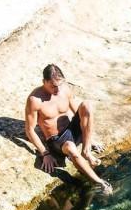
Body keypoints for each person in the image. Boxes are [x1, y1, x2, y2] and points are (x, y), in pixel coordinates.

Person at [25, 64, 113, 195]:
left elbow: (80, 112)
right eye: (53, 86)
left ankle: (86, 151)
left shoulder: (64, 89)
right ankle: (100, 183)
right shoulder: (35, 100)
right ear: (44, 82)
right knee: (71, 148)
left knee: (87, 105)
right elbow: (29, 130)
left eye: (59, 85)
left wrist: (88, 138)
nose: (57, 89)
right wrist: (45, 153)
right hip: (57, 140)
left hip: (70, 129)